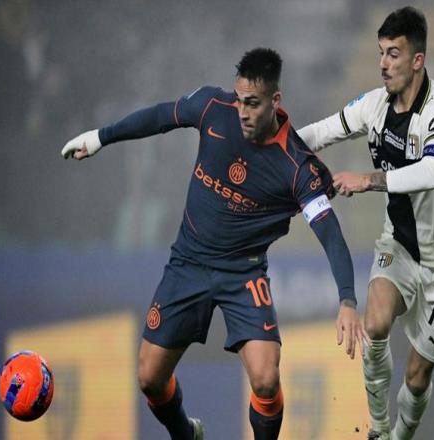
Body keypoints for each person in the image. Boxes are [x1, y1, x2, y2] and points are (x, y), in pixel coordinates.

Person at [61, 48, 368, 440]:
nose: (242, 112)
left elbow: (331, 235)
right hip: (188, 263)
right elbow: (161, 116)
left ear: (275, 101)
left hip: (243, 273)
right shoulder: (212, 107)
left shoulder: (297, 167)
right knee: (150, 378)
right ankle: (186, 434)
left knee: (266, 379)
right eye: (239, 100)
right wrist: (99, 137)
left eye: (253, 103)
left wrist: (347, 301)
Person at [298, 6, 434, 440]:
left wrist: (369, 180)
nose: (383, 63)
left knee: (417, 377)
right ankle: (378, 429)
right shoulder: (374, 105)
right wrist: (270, 148)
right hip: (397, 244)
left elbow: (431, 172)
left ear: (417, 60)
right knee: (375, 324)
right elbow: (320, 132)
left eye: (393, 54)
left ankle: (400, 436)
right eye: (380, 52)